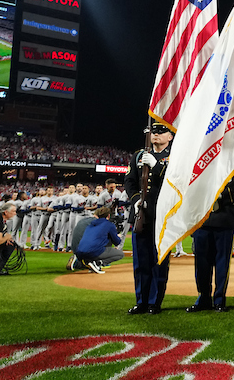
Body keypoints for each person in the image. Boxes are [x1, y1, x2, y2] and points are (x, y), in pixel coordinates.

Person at [125, 123, 173, 314]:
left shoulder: (174, 158)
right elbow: (129, 181)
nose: (157, 135)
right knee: (141, 261)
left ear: (170, 136)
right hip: (141, 215)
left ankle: (155, 302)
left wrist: (157, 165)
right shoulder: (138, 156)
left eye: (162, 132)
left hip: (161, 215)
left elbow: (174, 181)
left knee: (158, 261)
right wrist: (136, 201)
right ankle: (141, 300)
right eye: (154, 132)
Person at [187, 168, 234, 313]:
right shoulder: (202, 156)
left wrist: (222, 194)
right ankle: (203, 298)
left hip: (225, 217)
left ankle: (219, 300)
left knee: (222, 263)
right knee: (201, 262)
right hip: (201, 217)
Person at [71, 204, 124, 273]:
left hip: (79, 252)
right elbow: (117, 242)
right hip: (93, 252)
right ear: (108, 216)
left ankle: (80, 261)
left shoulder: (91, 224)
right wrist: (117, 236)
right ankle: (98, 263)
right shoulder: (108, 224)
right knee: (120, 254)